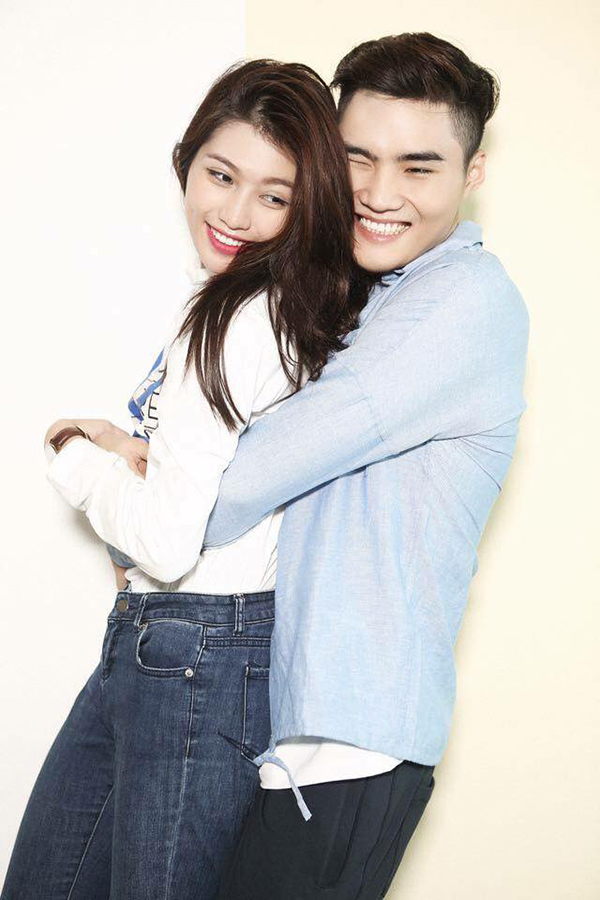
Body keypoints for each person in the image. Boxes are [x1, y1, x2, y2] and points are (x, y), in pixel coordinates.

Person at [1, 60, 372, 900]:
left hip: (197, 649)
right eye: (221, 175)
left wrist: (74, 456)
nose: (235, 214)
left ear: (308, 206)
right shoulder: (276, 307)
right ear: (187, 159)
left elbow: (167, 543)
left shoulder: (234, 318)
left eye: (274, 195)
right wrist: (131, 457)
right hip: (171, 644)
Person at [199, 33, 530, 899]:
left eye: (419, 167)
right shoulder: (360, 294)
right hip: (289, 731)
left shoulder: (463, 302)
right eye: (357, 158)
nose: (380, 195)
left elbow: (255, 472)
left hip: (348, 750)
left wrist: (141, 504)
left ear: (473, 171)